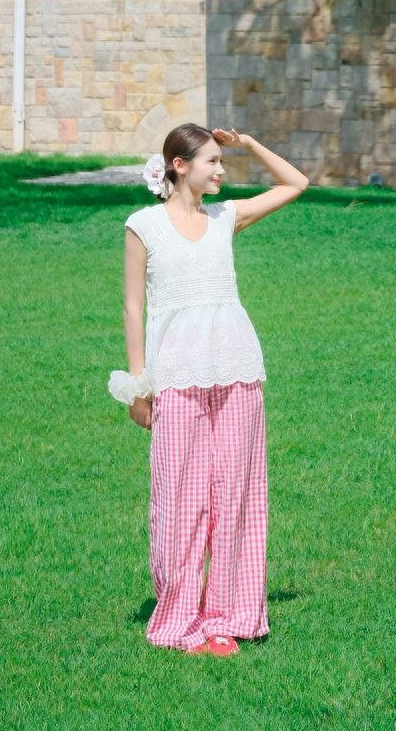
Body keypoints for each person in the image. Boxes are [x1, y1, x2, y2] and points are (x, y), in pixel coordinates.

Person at [108, 122, 308, 657]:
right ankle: (180, 619)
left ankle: (227, 616)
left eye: (223, 160)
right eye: (213, 161)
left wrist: (251, 144)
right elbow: (132, 308)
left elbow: (296, 184)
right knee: (180, 501)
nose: (222, 170)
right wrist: (138, 387)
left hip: (237, 371)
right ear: (179, 166)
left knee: (237, 497)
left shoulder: (225, 218)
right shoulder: (143, 226)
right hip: (176, 379)